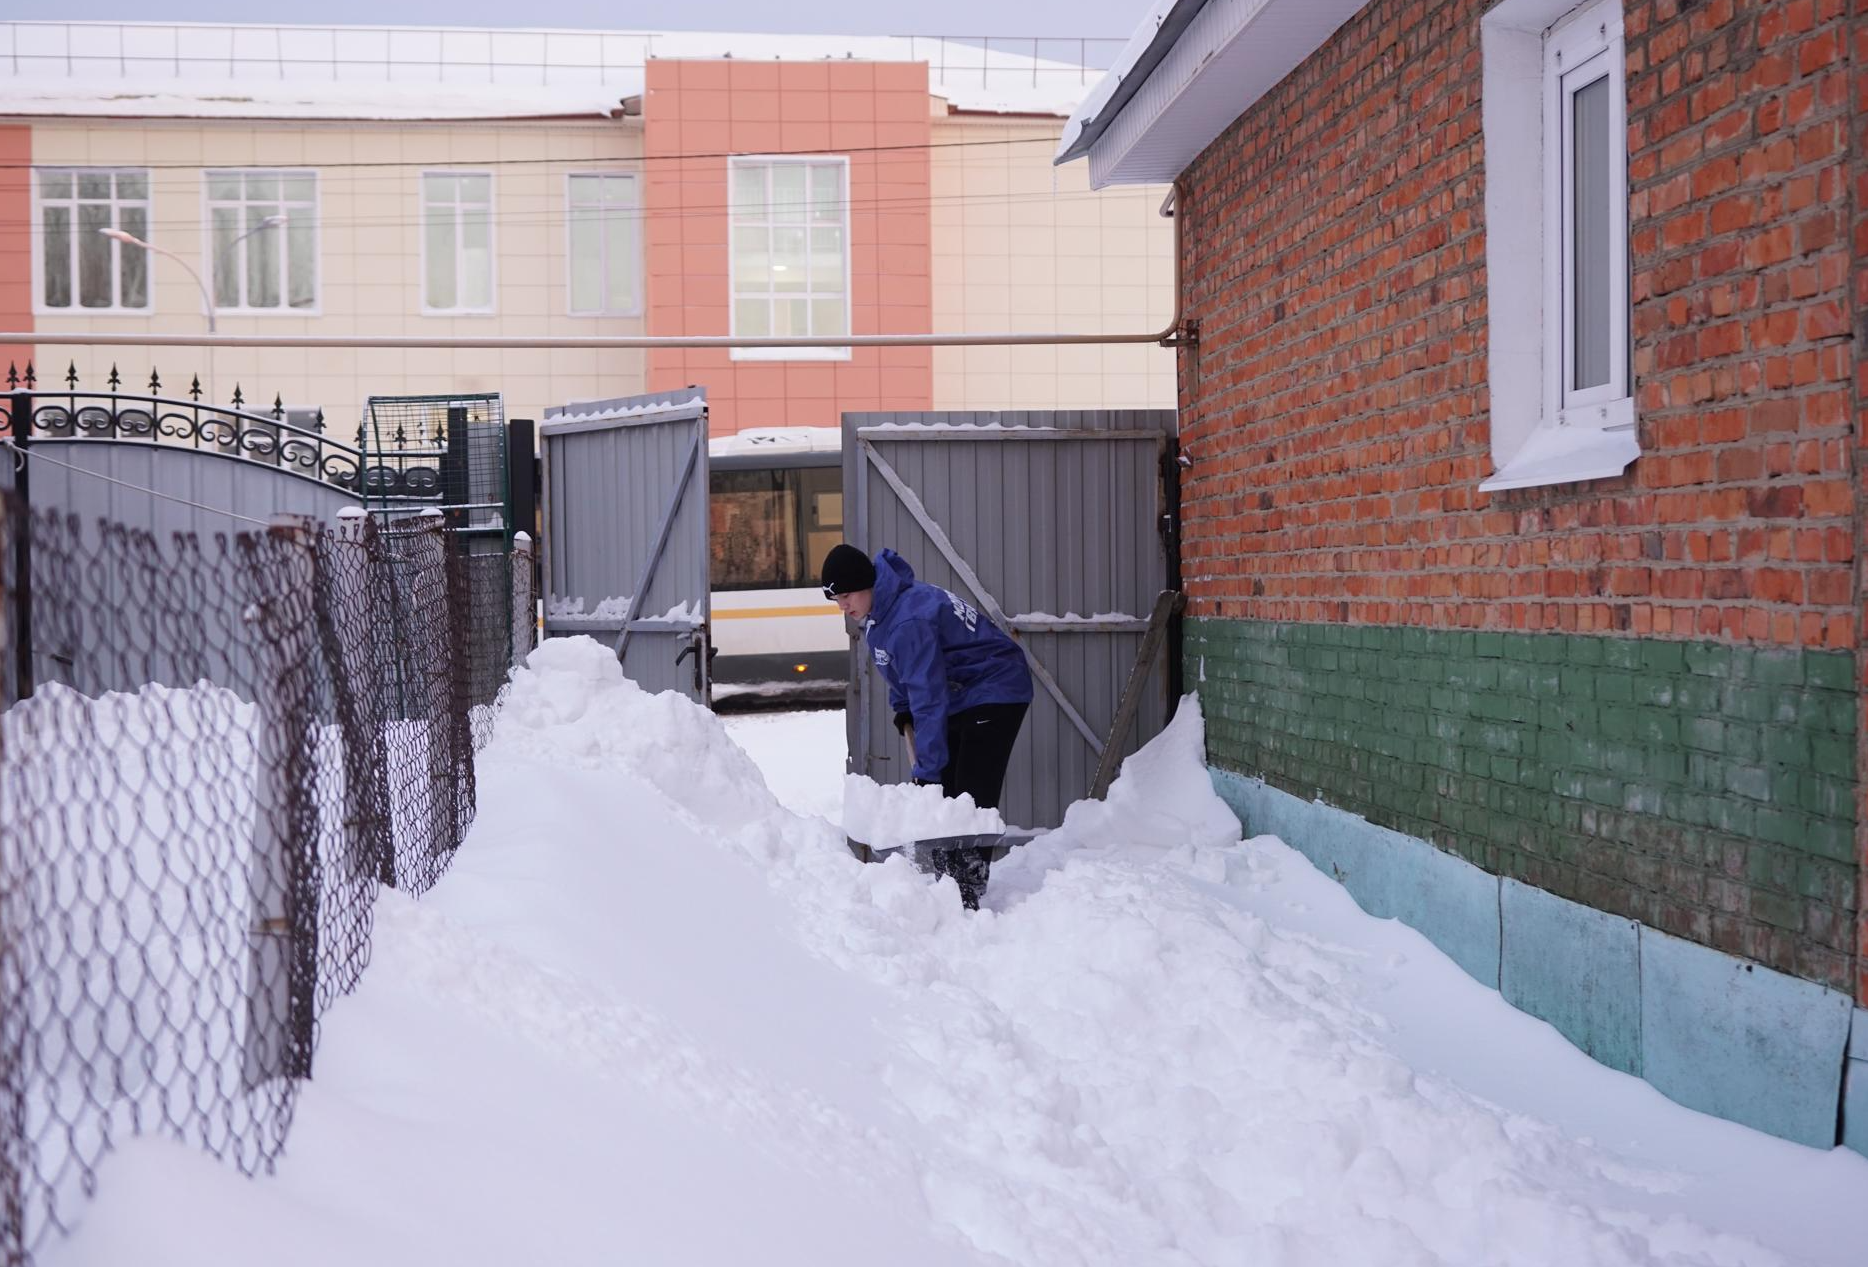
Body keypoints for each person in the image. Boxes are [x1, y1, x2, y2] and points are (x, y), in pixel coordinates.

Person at [821, 543, 1032, 909]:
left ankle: (966, 894)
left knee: (968, 793)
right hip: (961, 692)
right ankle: (947, 887)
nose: (844, 606)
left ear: (867, 584)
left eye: (848, 595)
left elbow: (929, 698)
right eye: (837, 599)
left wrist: (926, 773)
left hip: (996, 686)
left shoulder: (907, 620)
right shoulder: (879, 617)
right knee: (946, 787)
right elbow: (905, 680)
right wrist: (902, 711)